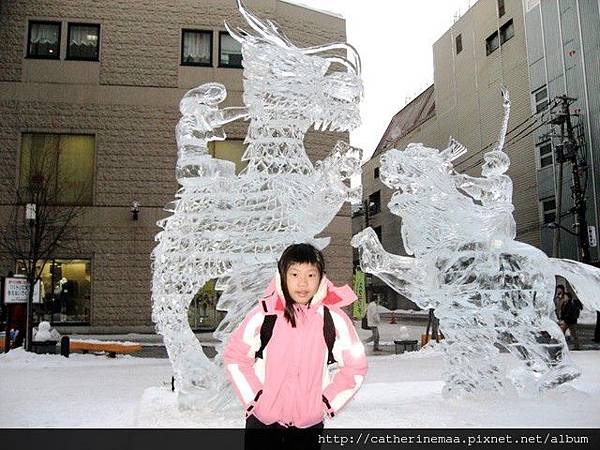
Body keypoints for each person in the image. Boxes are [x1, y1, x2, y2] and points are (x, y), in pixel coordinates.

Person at [223, 243, 367, 450]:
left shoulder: (333, 319)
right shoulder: (264, 314)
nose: (303, 283)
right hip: (262, 424)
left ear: (321, 278)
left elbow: (356, 366)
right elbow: (235, 357)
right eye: (294, 274)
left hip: (308, 428)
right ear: (282, 275)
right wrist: (255, 399)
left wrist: (326, 402)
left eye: (310, 275)